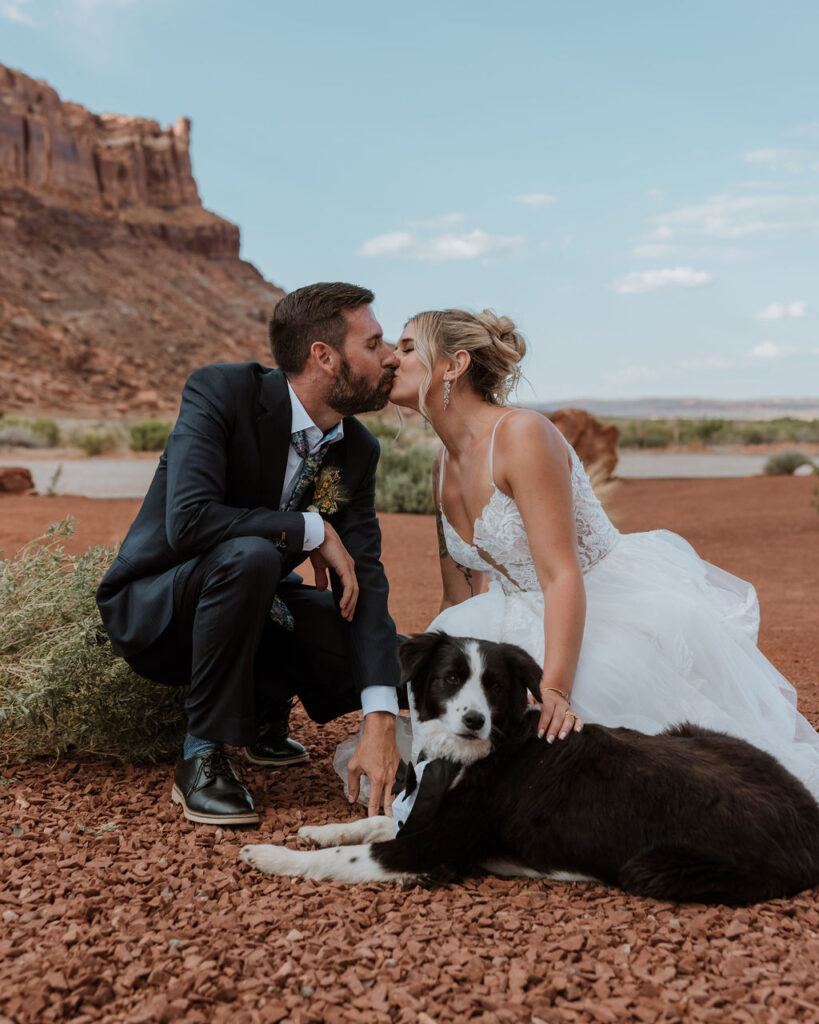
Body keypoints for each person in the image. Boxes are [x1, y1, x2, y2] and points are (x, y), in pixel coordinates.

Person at [384, 307, 819, 801]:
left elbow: (561, 575)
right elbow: (458, 595)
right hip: (508, 612)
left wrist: (555, 690)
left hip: (597, 605)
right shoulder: (441, 465)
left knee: (651, 775)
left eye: (406, 348)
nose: (391, 360)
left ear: (454, 364)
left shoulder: (521, 434)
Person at [97, 282, 403, 825]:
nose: (391, 357)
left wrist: (379, 715)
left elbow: (368, 577)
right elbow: (190, 520)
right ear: (325, 357)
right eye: (375, 343)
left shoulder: (358, 449)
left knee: (403, 656)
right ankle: (203, 754)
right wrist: (310, 528)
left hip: (259, 608)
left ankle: (264, 710)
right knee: (253, 559)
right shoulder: (221, 392)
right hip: (163, 612)